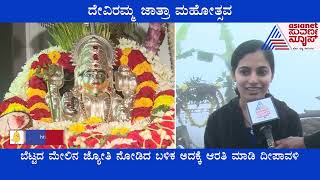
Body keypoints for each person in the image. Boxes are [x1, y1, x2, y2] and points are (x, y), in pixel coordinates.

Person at [204, 40, 303, 148]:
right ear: (233, 74)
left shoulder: (290, 118)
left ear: (272, 75)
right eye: (245, 72)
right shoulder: (217, 121)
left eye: (261, 72)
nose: (253, 80)